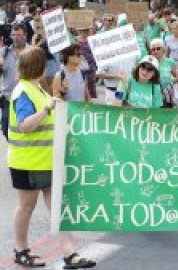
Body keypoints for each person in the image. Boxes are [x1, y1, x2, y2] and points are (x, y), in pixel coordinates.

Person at [8, 46, 96, 269]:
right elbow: (25, 125)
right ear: (39, 66)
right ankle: (21, 250)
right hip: (28, 162)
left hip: (47, 160)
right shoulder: (23, 92)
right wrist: (48, 109)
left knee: (58, 207)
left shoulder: (38, 89)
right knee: (26, 206)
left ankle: (69, 253)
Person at [0, 23, 29, 140]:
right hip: (8, 98)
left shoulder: (32, 51)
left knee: (24, 128)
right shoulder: (4, 52)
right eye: (13, 35)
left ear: (25, 36)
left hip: (25, 97)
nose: (15, 38)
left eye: (19, 35)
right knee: (6, 128)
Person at [150, 39, 178, 107]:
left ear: (163, 49)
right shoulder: (148, 63)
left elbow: (177, 77)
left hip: (167, 96)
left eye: (158, 48)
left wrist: (170, 82)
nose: (155, 51)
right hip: (153, 96)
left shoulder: (170, 62)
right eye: (153, 49)